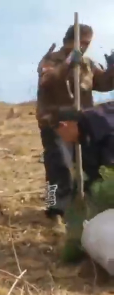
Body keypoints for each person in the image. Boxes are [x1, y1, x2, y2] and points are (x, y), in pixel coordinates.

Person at [36, 23, 114, 233]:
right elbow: (47, 81)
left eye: (89, 43)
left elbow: (105, 83)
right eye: (84, 43)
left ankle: (88, 211)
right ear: (72, 40)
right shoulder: (52, 59)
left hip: (81, 124)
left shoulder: (87, 64)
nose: (87, 47)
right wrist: (69, 63)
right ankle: (54, 210)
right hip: (56, 121)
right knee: (58, 164)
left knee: (90, 168)